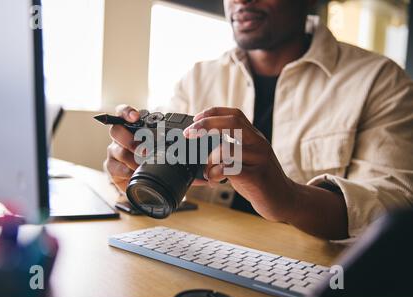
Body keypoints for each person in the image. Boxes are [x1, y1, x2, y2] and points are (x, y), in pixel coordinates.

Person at [104, 0, 413, 240]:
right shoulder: (198, 79)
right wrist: (130, 170)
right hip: (204, 256)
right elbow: (161, 189)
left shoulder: (380, 81)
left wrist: (289, 198)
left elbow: (392, 208)